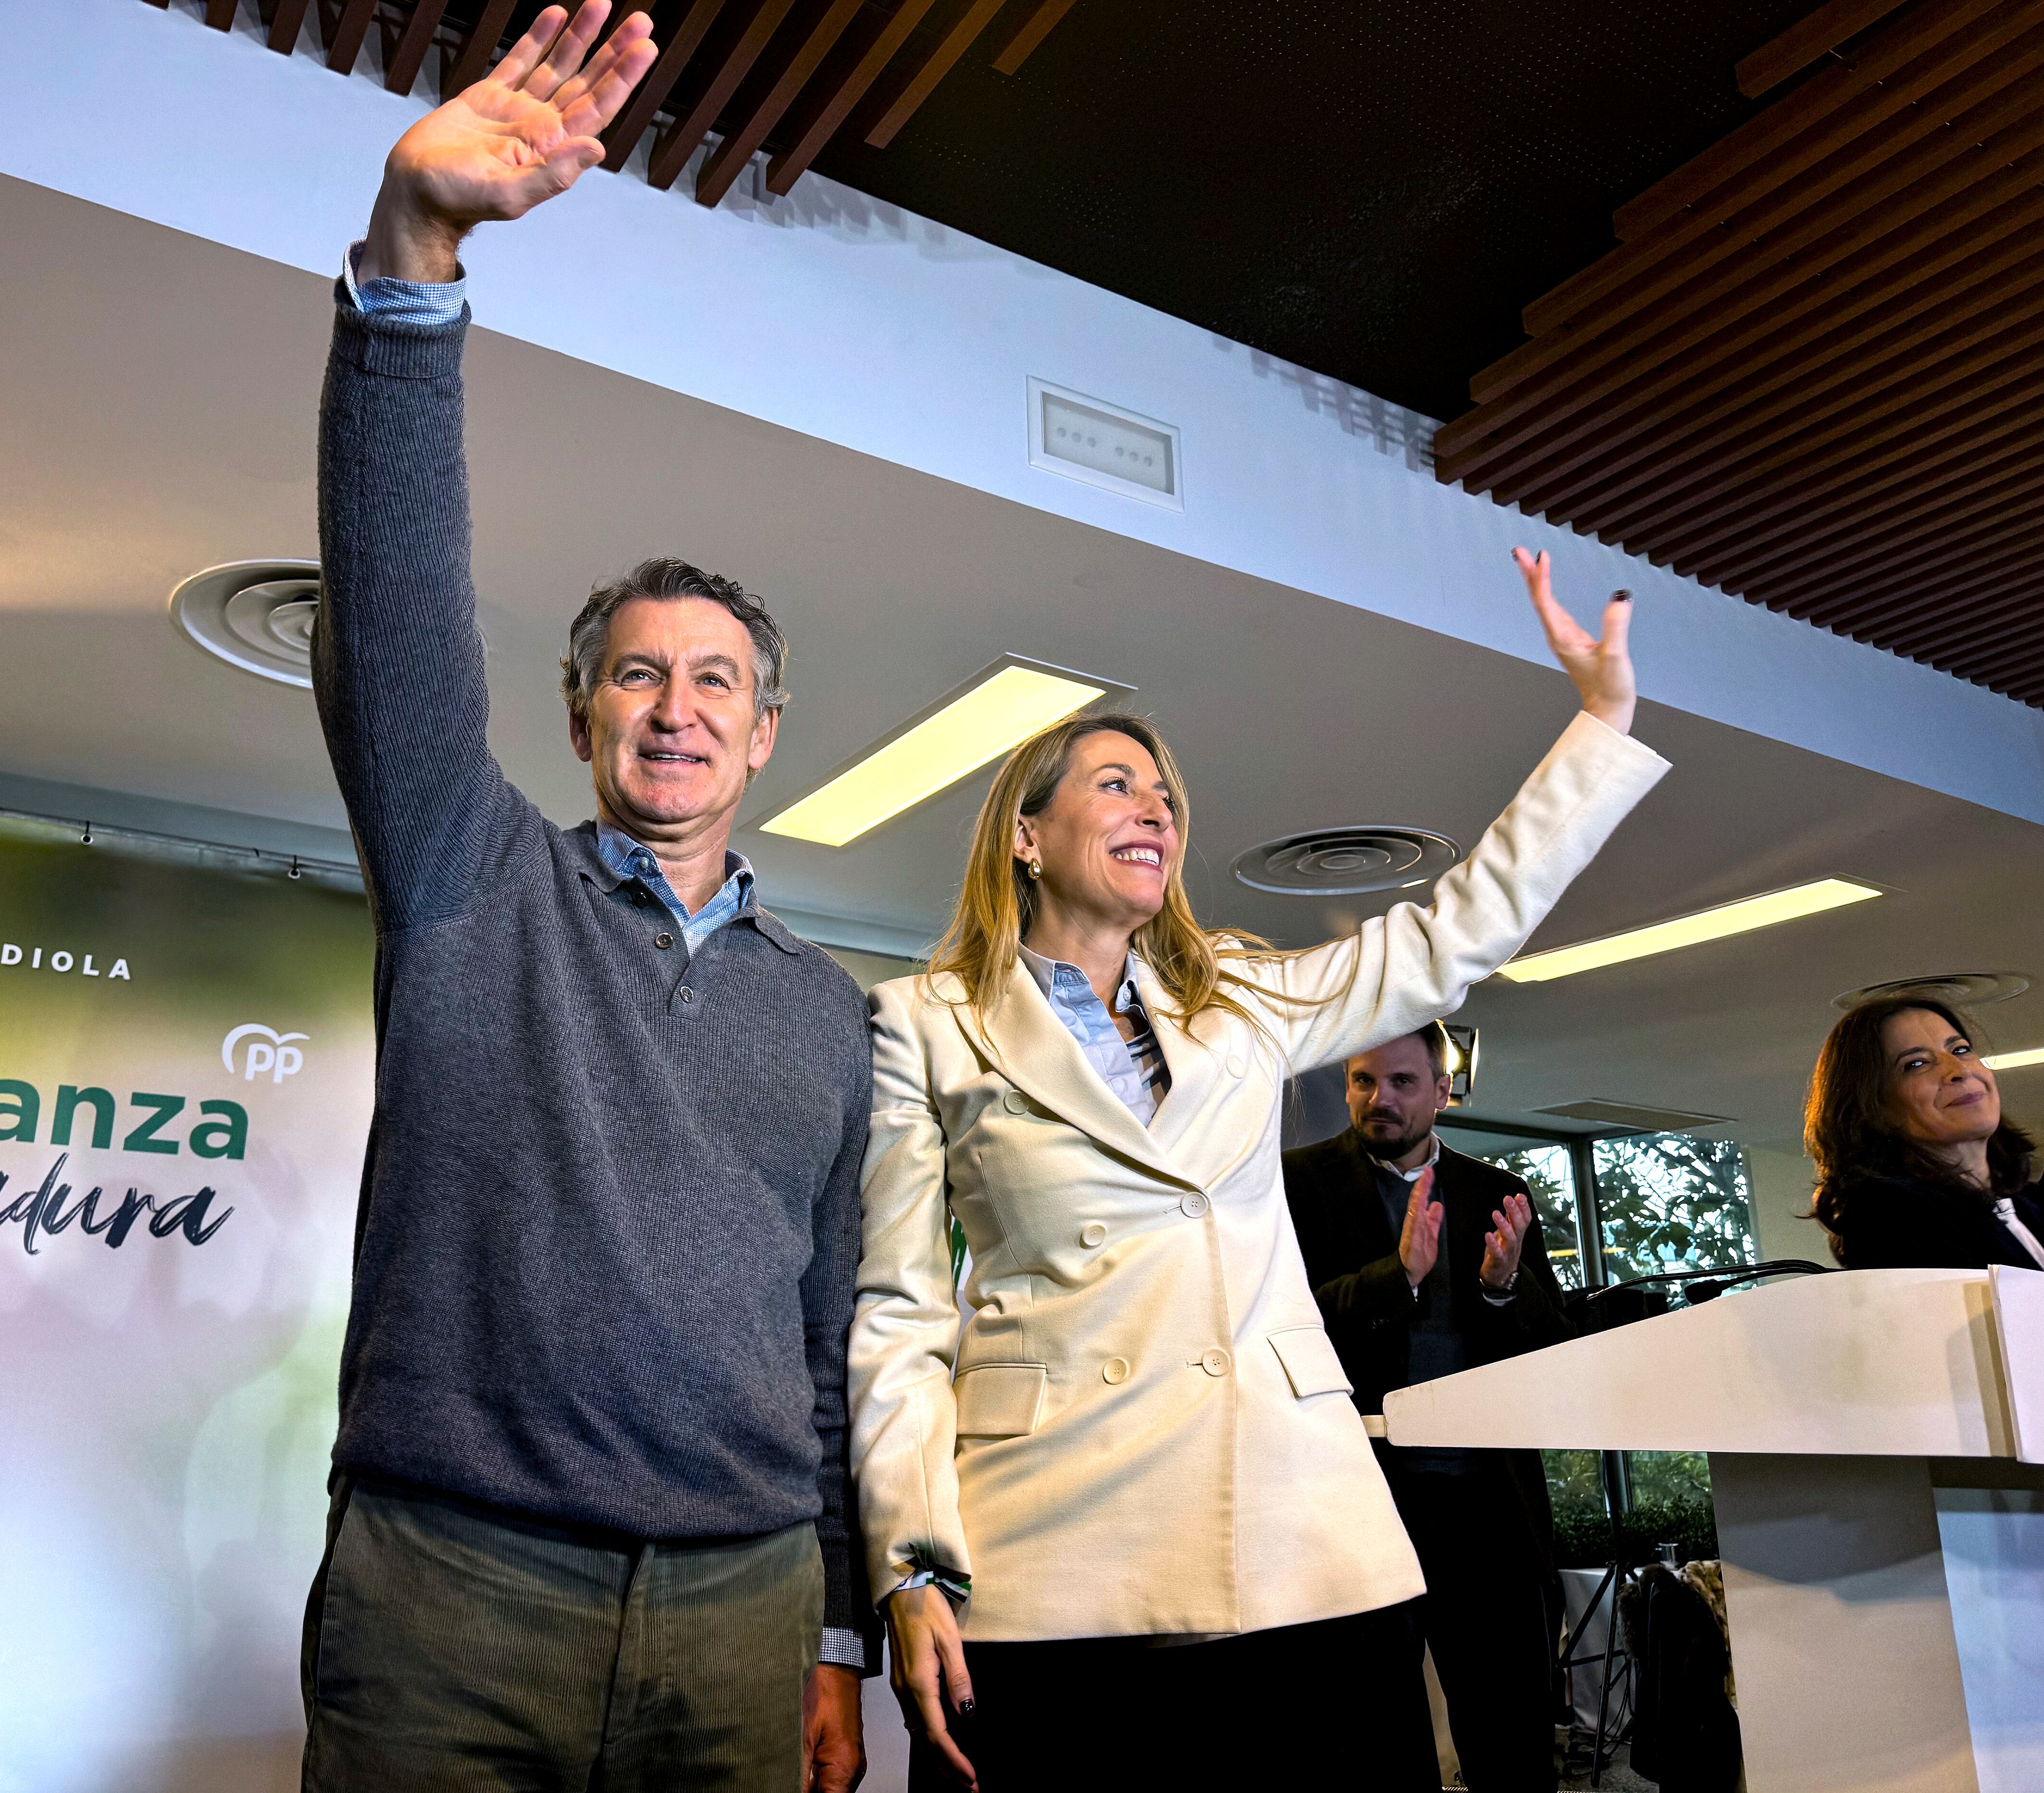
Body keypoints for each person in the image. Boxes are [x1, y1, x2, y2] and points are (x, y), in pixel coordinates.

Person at [300, 8, 874, 1787]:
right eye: (636, 673)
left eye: (714, 681)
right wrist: (414, 259)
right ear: (580, 715)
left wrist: (834, 1624)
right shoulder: (470, 878)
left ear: (762, 735)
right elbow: (395, 615)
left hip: (745, 1602)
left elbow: (829, 1338)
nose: (674, 705)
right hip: (453, 1588)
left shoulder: (832, 1010)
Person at [852, 548, 1669, 1792]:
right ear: (1025, 833)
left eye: (1167, 797)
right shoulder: (923, 1023)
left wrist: (1600, 719)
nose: (1156, 809)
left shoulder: (1237, 991)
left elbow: (1454, 933)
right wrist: (911, 1565)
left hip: (1295, 1530)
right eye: (1116, 784)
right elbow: (900, 1316)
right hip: (1049, 1542)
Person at [1282, 1023, 1571, 1792]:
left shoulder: (1496, 1193)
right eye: (1363, 1080)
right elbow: (1282, 1324)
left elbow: (1552, 1342)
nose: (1379, 1098)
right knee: (1375, 1742)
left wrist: (1503, 1288)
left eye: (1403, 1082)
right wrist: (1398, 1276)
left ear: (1445, 1091)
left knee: (1511, 1735)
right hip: (1362, 1499)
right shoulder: (1295, 1184)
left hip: (1489, 1505)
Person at [1808, 995, 2044, 1271]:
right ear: (1873, 1106)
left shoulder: (2029, 1204)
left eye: (1960, 1050)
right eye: (1916, 1064)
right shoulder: (1891, 1215)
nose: (1959, 1070)